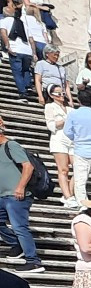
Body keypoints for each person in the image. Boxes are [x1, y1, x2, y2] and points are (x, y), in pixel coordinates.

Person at [0, 113, 45, 271]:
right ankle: (17, 244)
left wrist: (20, 187)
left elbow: (28, 166)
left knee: (19, 226)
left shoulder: (11, 146)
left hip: (16, 195)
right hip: (2, 196)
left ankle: (33, 260)